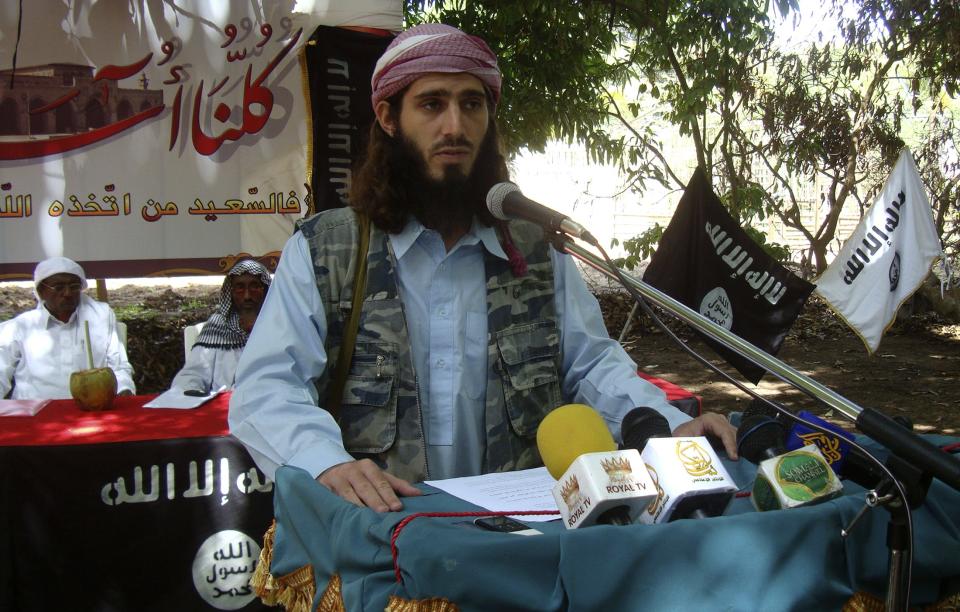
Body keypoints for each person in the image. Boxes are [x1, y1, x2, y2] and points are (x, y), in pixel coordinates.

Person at [229, 23, 737, 513]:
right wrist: (328, 464)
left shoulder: (536, 248)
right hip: (383, 542)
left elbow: (591, 366)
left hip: (518, 544)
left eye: (471, 104)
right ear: (388, 117)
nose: (455, 126)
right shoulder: (326, 250)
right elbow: (267, 387)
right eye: (432, 104)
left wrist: (667, 425)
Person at [0, 256, 135, 399]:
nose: (67, 293)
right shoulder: (21, 327)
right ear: (41, 292)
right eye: (58, 287)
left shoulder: (101, 318)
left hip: (92, 407)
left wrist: (124, 390)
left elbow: (119, 366)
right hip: (35, 412)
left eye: (74, 286)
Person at [170, 260, 271, 393]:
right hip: (224, 405)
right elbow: (193, 374)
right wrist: (191, 390)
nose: (247, 296)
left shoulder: (279, 326)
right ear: (231, 292)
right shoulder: (217, 326)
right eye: (240, 288)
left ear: (265, 291)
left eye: (254, 287)